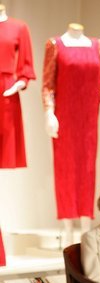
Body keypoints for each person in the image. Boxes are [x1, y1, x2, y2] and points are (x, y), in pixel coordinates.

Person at [42, 23, 100, 246]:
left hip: (88, 120)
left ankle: (84, 228)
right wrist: (49, 112)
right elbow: (48, 85)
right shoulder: (55, 45)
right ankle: (67, 229)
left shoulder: (97, 46)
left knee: (87, 169)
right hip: (65, 118)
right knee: (65, 169)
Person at [0, 4, 36, 168]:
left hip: (6, 90)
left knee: (5, 143)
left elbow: (26, 64)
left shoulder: (19, 28)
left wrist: (19, 84)